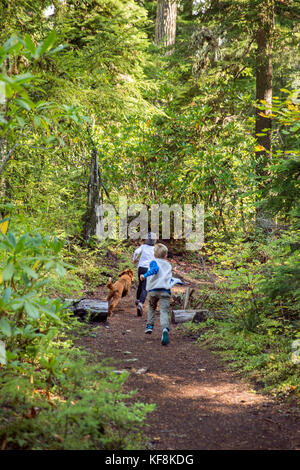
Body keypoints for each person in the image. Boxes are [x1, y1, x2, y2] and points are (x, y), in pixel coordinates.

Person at [140, 243, 183, 346]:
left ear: (154, 254)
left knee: (151, 307)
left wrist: (144, 275)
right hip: (165, 291)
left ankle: (149, 326)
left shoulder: (153, 262)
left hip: (154, 291)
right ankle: (164, 329)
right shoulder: (168, 265)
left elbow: (155, 270)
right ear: (165, 256)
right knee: (164, 311)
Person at [132, 232, 157, 316]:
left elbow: (136, 252)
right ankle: (141, 304)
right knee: (145, 287)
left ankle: (137, 299)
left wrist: (134, 259)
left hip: (141, 268)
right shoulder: (155, 249)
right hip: (148, 269)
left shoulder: (143, 246)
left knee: (140, 284)